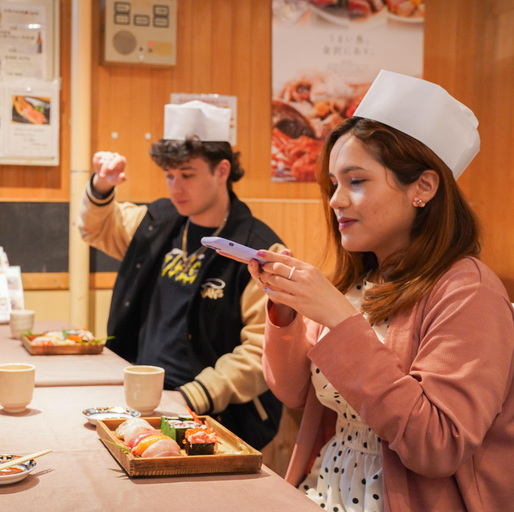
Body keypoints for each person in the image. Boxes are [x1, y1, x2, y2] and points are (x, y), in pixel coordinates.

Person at [251, 70, 514, 511]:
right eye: (333, 184)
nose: (335, 200)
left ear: (423, 188)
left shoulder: (469, 292)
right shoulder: (361, 280)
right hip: (323, 488)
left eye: (356, 181)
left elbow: (438, 445)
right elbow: (294, 393)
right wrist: (285, 310)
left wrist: (340, 320)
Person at [79, 101, 285, 449]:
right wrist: (101, 186)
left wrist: (192, 396)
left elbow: (260, 350)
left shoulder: (259, 250)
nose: (175, 188)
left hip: (214, 415)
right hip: (143, 400)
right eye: (169, 175)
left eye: (187, 175)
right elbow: (96, 228)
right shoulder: (157, 222)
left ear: (222, 171)